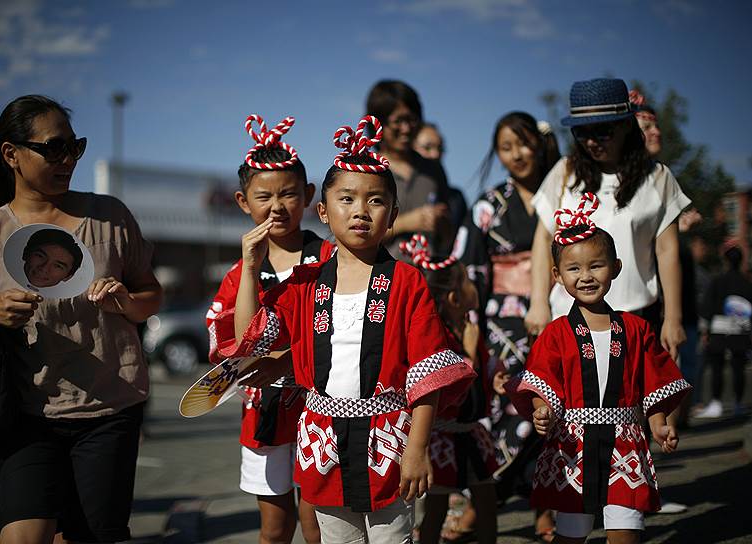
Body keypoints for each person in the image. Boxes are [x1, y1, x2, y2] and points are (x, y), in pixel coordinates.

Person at [216, 115, 476, 543]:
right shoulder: (304, 282)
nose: (360, 211)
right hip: (324, 444)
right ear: (323, 210)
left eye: (375, 201)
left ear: (393, 214)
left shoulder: (407, 282)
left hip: (390, 443)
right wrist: (250, 268)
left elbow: (428, 370)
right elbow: (251, 340)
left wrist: (417, 447)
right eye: (347, 199)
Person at [0, 94, 162, 544]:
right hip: (24, 413)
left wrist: (125, 302)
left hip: (109, 411)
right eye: (52, 148)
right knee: (20, 536)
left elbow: (151, 296)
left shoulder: (111, 216)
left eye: (73, 147)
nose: (67, 159)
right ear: (10, 154)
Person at [506, 193, 691, 544]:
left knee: (627, 534)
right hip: (573, 449)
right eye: (574, 268)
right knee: (572, 535)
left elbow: (653, 382)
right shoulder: (556, 333)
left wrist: (658, 422)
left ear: (616, 268)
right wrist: (540, 409)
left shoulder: (636, 329)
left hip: (625, 445)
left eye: (596, 266)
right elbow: (541, 379)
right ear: (558, 276)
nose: (586, 276)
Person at [205, 114, 331, 544]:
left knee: (319, 524)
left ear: (310, 196)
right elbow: (241, 347)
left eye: (289, 194)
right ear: (243, 201)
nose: (276, 206)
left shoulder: (332, 259)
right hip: (264, 410)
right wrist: (252, 270)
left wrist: (289, 360)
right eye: (263, 196)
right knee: (274, 528)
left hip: (324, 407)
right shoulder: (240, 273)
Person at [525, 79, 691, 365]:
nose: (591, 141)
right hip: (567, 322)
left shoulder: (658, 178)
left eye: (602, 131)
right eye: (581, 132)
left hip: (635, 322)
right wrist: (537, 302)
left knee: (634, 406)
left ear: (626, 125)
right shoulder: (565, 172)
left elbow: (667, 251)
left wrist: (673, 318)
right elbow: (543, 239)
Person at [452, 111, 560, 541]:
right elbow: (470, 271)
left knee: (553, 412)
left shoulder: (566, 196)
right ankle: (485, 505)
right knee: (505, 416)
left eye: (523, 143)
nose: (516, 155)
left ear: (540, 143)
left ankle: (545, 509)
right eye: (505, 148)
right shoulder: (487, 206)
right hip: (502, 326)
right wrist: (471, 328)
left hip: (556, 314)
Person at [400, 236, 498, 544]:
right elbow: (450, 381)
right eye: (468, 280)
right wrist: (469, 353)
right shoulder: (440, 336)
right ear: (454, 298)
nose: (475, 285)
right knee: (437, 508)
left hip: (470, 431)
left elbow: (484, 371)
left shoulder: (469, 327)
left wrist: (495, 376)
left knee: (486, 501)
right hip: (440, 434)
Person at [365, 80, 453, 257]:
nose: (406, 129)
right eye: (398, 121)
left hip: (427, 279)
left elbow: (448, 238)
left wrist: (442, 224)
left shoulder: (434, 171)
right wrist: (406, 223)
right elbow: (355, 235)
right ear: (378, 124)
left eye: (411, 120)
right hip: (381, 280)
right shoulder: (366, 169)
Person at [695, 242, 752, 418]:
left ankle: (716, 402)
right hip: (741, 330)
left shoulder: (718, 281)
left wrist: (705, 330)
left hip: (719, 329)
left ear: (726, 261)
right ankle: (738, 403)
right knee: (738, 367)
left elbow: (707, 307)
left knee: (717, 367)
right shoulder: (746, 283)